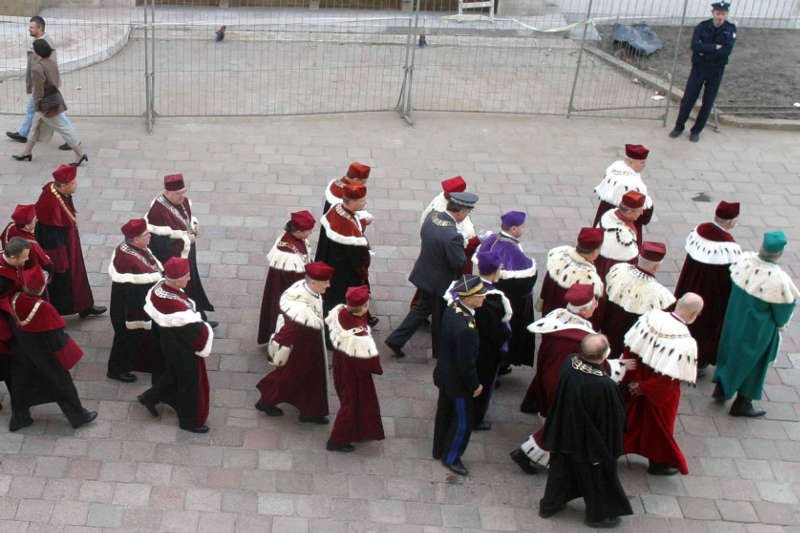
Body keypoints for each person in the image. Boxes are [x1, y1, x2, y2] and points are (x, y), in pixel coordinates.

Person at [537, 334, 632, 528]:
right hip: (589, 441)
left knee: (560, 472)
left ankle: (551, 505)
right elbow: (611, 420)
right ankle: (597, 516)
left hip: (564, 431)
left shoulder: (570, 362)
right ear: (604, 355)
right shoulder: (603, 385)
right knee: (596, 478)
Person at [714, 231, 798, 417]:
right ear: (780, 253)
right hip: (758, 330)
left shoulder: (744, 261)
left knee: (729, 351)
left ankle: (721, 388)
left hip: (734, 319)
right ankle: (742, 403)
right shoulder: (779, 280)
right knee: (755, 364)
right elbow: (782, 313)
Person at [384, 192, 477, 359]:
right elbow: (459, 262)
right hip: (440, 281)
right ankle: (439, 352)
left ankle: (396, 340)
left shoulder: (433, 217)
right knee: (439, 317)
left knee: (422, 309)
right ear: (461, 211)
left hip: (425, 272)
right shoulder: (453, 235)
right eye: (468, 212)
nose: (467, 216)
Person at [621, 294, 703, 476]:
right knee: (659, 429)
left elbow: (630, 348)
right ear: (693, 314)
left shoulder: (650, 317)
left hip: (634, 380)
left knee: (629, 419)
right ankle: (658, 463)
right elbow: (669, 379)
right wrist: (645, 387)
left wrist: (633, 380)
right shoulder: (686, 342)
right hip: (657, 393)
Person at [7, 265, 95, 431]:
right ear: (41, 288)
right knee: (62, 384)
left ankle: (20, 418)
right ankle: (79, 416)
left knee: (20, 385)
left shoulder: (15, 298)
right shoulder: (44, 308)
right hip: (45, 355)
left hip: (23, 352)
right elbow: (56, 337)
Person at [137, 257, 214, 433]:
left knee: (173, 373)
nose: (189, 279)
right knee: (189, 382)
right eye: (186, 276)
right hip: (182, 347)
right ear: (177, 279)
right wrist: (206, 333)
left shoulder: (159, 288)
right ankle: (189, 421)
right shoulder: (176, 307)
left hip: (168, 342)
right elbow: (197, 333)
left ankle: (150, 397)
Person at [255, 261, 334, 424]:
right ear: (313, 282)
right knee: (291, 378)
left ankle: (310, 411)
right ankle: (267, 401)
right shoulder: (300, 310)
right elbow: (287, 332)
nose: (328, 285)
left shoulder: (304, 288)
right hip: (301, 351)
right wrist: (276, 354)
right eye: (325, 282)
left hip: (310, 347)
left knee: (306, 379)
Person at [444, 250, 511, 430]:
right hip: (484, 352)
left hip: (461, 348)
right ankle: (475, 418)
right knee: (481, 384)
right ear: (495, 271)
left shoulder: (462, 287)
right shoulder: (495, 300)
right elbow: (498, 333)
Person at [674, 201, 741, 375]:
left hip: (690, 285)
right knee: (705, 326)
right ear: (731, 222)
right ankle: (699, 359)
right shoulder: (729, 246)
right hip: (711, 296)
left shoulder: (699, 231)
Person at [432, 275, 486, 476]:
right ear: (468, 298)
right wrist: (475, 385)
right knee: (463, 422)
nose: (484, 297)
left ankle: (438, 448)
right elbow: (466, 364)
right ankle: (451, 456)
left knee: (444, 413)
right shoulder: (467, 328)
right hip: (458, 383)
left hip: (444, 375)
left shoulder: (453, 308)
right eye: (480, 294)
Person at [34, 165, 105, 317]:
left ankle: (85, 305)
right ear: (64, 185)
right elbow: (51, 236)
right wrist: (61, 262)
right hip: (60, 251)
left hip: (68, 242)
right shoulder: (51, 205)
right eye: (73, 183)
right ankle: (57, 315)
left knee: (78, 275)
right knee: (63, 282)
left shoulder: (57, 191)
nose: (76, 184)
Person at [146, 174, 215, 326]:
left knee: (193, 282)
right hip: (174, 260)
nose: (182, 197)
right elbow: (160, 245)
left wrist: (194, 225)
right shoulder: (157, 212)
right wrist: (186, 240)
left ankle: (200, 316)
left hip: (187, 252)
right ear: (168, 192)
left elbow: (186, 218)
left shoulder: (181, 201)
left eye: (183, 192)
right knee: (184, 288)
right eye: (178, 193)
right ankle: (194, 320)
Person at [325, 285, 384, 452]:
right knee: (350, 404)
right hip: (355, 373)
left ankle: (357, 430)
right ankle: (337, 440)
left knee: (351, 401)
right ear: (364, 307)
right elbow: (369, 359)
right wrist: (377, 368)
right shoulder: (360, 334)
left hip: (341, 363)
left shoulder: (341, 313)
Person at [476, 210, 537, 370]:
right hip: (508, 299)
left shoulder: (492, 239)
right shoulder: (511, 251)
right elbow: (527, 280)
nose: (524, 230)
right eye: (522, 227)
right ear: (514, 229)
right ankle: (502, 363)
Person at [11, 38, 87, 166]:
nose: (32, 52)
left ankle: (80, 154)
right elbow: (56, 82)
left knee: (63, 129)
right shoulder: (51, 63)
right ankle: (26, 152)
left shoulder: (37, 68)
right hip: (54, 99)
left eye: (33, 50)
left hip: (45, 106)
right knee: (35, 127)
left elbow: (38, 91)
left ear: (38, 52)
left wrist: (38, 105)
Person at [669, 2, 737, 142]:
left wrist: (705, 49)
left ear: (726, 14)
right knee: (689, 98)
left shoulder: (730, 29)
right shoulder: (702, 26)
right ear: (713, 13)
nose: (720, 16)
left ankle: (696, 131)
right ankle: (679, 126)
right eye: (718, 13)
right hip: (699, 68)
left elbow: (726, 50)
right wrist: (715, 47)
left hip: (716, 70)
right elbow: (695, 46)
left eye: (723, 14)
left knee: (708, 101)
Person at [107, 219, 163, 383]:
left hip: (134, 303)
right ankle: (116, 370)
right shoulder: (129, 260)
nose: (150, 236)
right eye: (146, 234)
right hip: (129, 309)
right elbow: (137, 289)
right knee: (124, 339)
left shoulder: (134, 248)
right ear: (136, 239)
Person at [6, 16, 72, 151]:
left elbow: (50, 67)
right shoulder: (38, 41)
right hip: (39, 85)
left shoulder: (46, 43)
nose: (29, 29)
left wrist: (45, 86)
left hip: (45, 87)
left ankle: (72, 140)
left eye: (31, 27)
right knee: (31, 109)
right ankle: (23, 134)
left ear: (40, 29)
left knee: (57, 114)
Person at [601, 241, 675, 358]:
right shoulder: (662, 296)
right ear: (656, 267)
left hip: (607, 332)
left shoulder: (617, 270)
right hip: (631, 344)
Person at [257, 210, 315, 345]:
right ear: (299, 231)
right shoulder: (288, 254)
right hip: (287, 292)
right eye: (308, 231)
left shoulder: (292, 239)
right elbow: (297, 279)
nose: (310, 234)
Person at [316, 183, 371, 317]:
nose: (365, 202)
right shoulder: (349, 233)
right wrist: (363, 272)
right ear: (352, 202)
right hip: (345, 275)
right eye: (362, 200)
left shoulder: (336, 209)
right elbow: (359, 261)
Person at [315, 163, 372, 277]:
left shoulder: (336, 186)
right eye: (363, 181)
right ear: (355, 179)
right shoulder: (345, 199)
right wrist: (364, 221)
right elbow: (350, 226)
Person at [538, 227, 604, 318]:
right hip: (566, 320)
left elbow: (546, 284)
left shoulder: (558, 256)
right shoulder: (589, 280)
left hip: (549, 311)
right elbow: (586, 311)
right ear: (595, 252)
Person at [419, 176, 481, 274]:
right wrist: (475, 241)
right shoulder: (447, 216)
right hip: (452, 257)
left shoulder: (444, 199)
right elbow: (458, 245)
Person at [0, 237, 32, 411]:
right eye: (24, 257)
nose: (26, 260)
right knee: (8, 368)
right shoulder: (2, 279)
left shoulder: (8, 265)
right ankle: (19, 405)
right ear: (12, 257)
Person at [592, 144, 653, 231]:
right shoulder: (633, 184)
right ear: (631, 162)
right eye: (642, 162)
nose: (644, 165)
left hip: (604, 213)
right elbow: (644, 214)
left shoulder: (614, 167)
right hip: (625, 222)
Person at [595, 190, 646, 280]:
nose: (642, 213)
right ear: (629, 212)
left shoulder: (608, 216)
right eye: (640, 210)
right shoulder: (623, 238)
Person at [1, 204, 54, 278]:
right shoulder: (32, 244)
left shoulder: (10, 226)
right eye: (34, 219)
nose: (37, 220)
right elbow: (47, 265)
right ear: (27, 226)